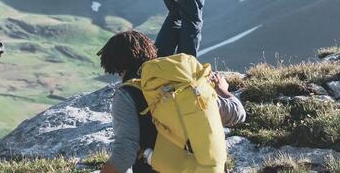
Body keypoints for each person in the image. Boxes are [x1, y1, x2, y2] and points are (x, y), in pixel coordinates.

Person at [98, 30, 246, 173]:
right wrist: (222, 89)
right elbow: (238, 113)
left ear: (118, 68)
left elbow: (124, 154)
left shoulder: (127, 95)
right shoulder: (186, 88)